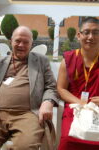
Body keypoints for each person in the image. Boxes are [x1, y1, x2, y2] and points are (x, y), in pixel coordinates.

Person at [0, 26, 59, 150]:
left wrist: (47, 102)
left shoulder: (41, 61)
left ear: (31, 44)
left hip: (28, 114)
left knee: (25, 146)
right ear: (10, 42)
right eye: (17, 41)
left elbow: (51, 86)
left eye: (26, 42)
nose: (21, 45)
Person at [57, 17, 99, 150]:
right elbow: (61, 88)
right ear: (79, 35)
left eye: (96, 32)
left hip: (97, 108)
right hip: (75, 107)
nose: (90, 37)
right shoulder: (69, 59)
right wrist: (81, 103)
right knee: (68, 140)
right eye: (86, 32)